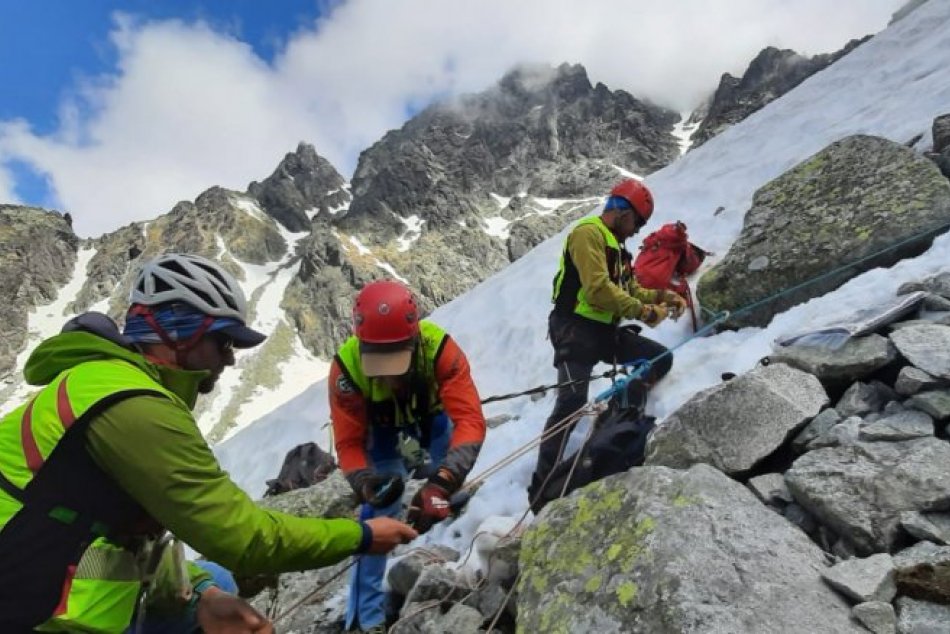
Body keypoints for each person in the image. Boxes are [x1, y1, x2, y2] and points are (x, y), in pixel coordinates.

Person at [0, 253, 417, 633]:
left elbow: (131, 531)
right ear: (178, 330)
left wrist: (202, 595)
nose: (231, 358)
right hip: (32, 609)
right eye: (223, 341)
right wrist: (361, 536)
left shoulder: (112, 386)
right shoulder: (132, 407)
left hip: (52, 578)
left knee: (215, 580)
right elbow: (243, 540)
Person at [329, 279, 487, 634]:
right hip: (382, 432)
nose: (387, 374)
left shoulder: (441, 350)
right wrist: (364, 483)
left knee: (442, 474)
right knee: (381, 510)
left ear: (415, 341)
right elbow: (349, 443)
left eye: (396, 361)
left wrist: (442, 483)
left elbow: (470, 421)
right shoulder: (346, 370)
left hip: (433, 418)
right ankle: (365, 618)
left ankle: (445, 502)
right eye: (378, 362)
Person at [528, 179, 688, 508]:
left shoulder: (617, 247)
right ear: (624, 214)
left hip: (602, 331)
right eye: (638, 223)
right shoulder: (588, 234)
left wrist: (663, 297)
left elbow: (631, 290)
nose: (637, 231)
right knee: (571, 403)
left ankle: (616, 417)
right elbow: (598, 290)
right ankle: (541, 489)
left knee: (659, 359)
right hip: (573, 329)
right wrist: (644, 312)